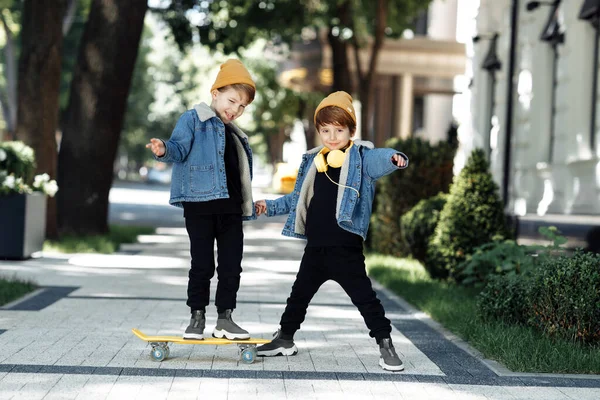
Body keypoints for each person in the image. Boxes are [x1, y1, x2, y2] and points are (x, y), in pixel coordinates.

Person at [253, 91, 409, 371]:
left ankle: (385, 344)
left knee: (366, 300)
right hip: (315, 249)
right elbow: (296, 199)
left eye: (339, 130)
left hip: (346, 250)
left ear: (351, 130)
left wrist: (394, 158)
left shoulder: (360, 158)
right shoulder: (314, 162)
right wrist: (270, 206)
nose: (332, 136)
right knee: (298, 296)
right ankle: (285, 338)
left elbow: (379, 159)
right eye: (326, 130)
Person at [146, 59, 256, 341]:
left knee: (232, 264)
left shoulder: (235, 133)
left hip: (231, 210)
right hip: (200, 208)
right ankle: (197, 317)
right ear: (215, 92)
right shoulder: (193, 120)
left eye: (242, 106)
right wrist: (163, 150)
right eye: (232, 101)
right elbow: (179, 149)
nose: (236, 110)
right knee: (202, 264)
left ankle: (225, 318)